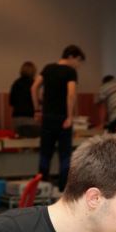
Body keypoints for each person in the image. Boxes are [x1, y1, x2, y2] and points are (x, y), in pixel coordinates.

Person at [31, 45, 85, 193]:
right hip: (62, 119)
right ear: (71, 57)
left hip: (47, 117)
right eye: (78, 61)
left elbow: (34, 88)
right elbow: (71, 94)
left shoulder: (48, 68)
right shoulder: (70, 72)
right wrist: (70, 116)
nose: (78, 65)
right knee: (65, 155)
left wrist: (37, 110)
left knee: (45, 153)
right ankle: (63, 190)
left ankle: (41, 188)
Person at [9, 61, 38, 133]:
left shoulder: (16, 83)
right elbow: (37, 100)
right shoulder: (34, 84)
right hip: (30, 116)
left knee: (18, 138)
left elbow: (11, 101)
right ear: (33, 72)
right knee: (31, 139)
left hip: (17, 116)